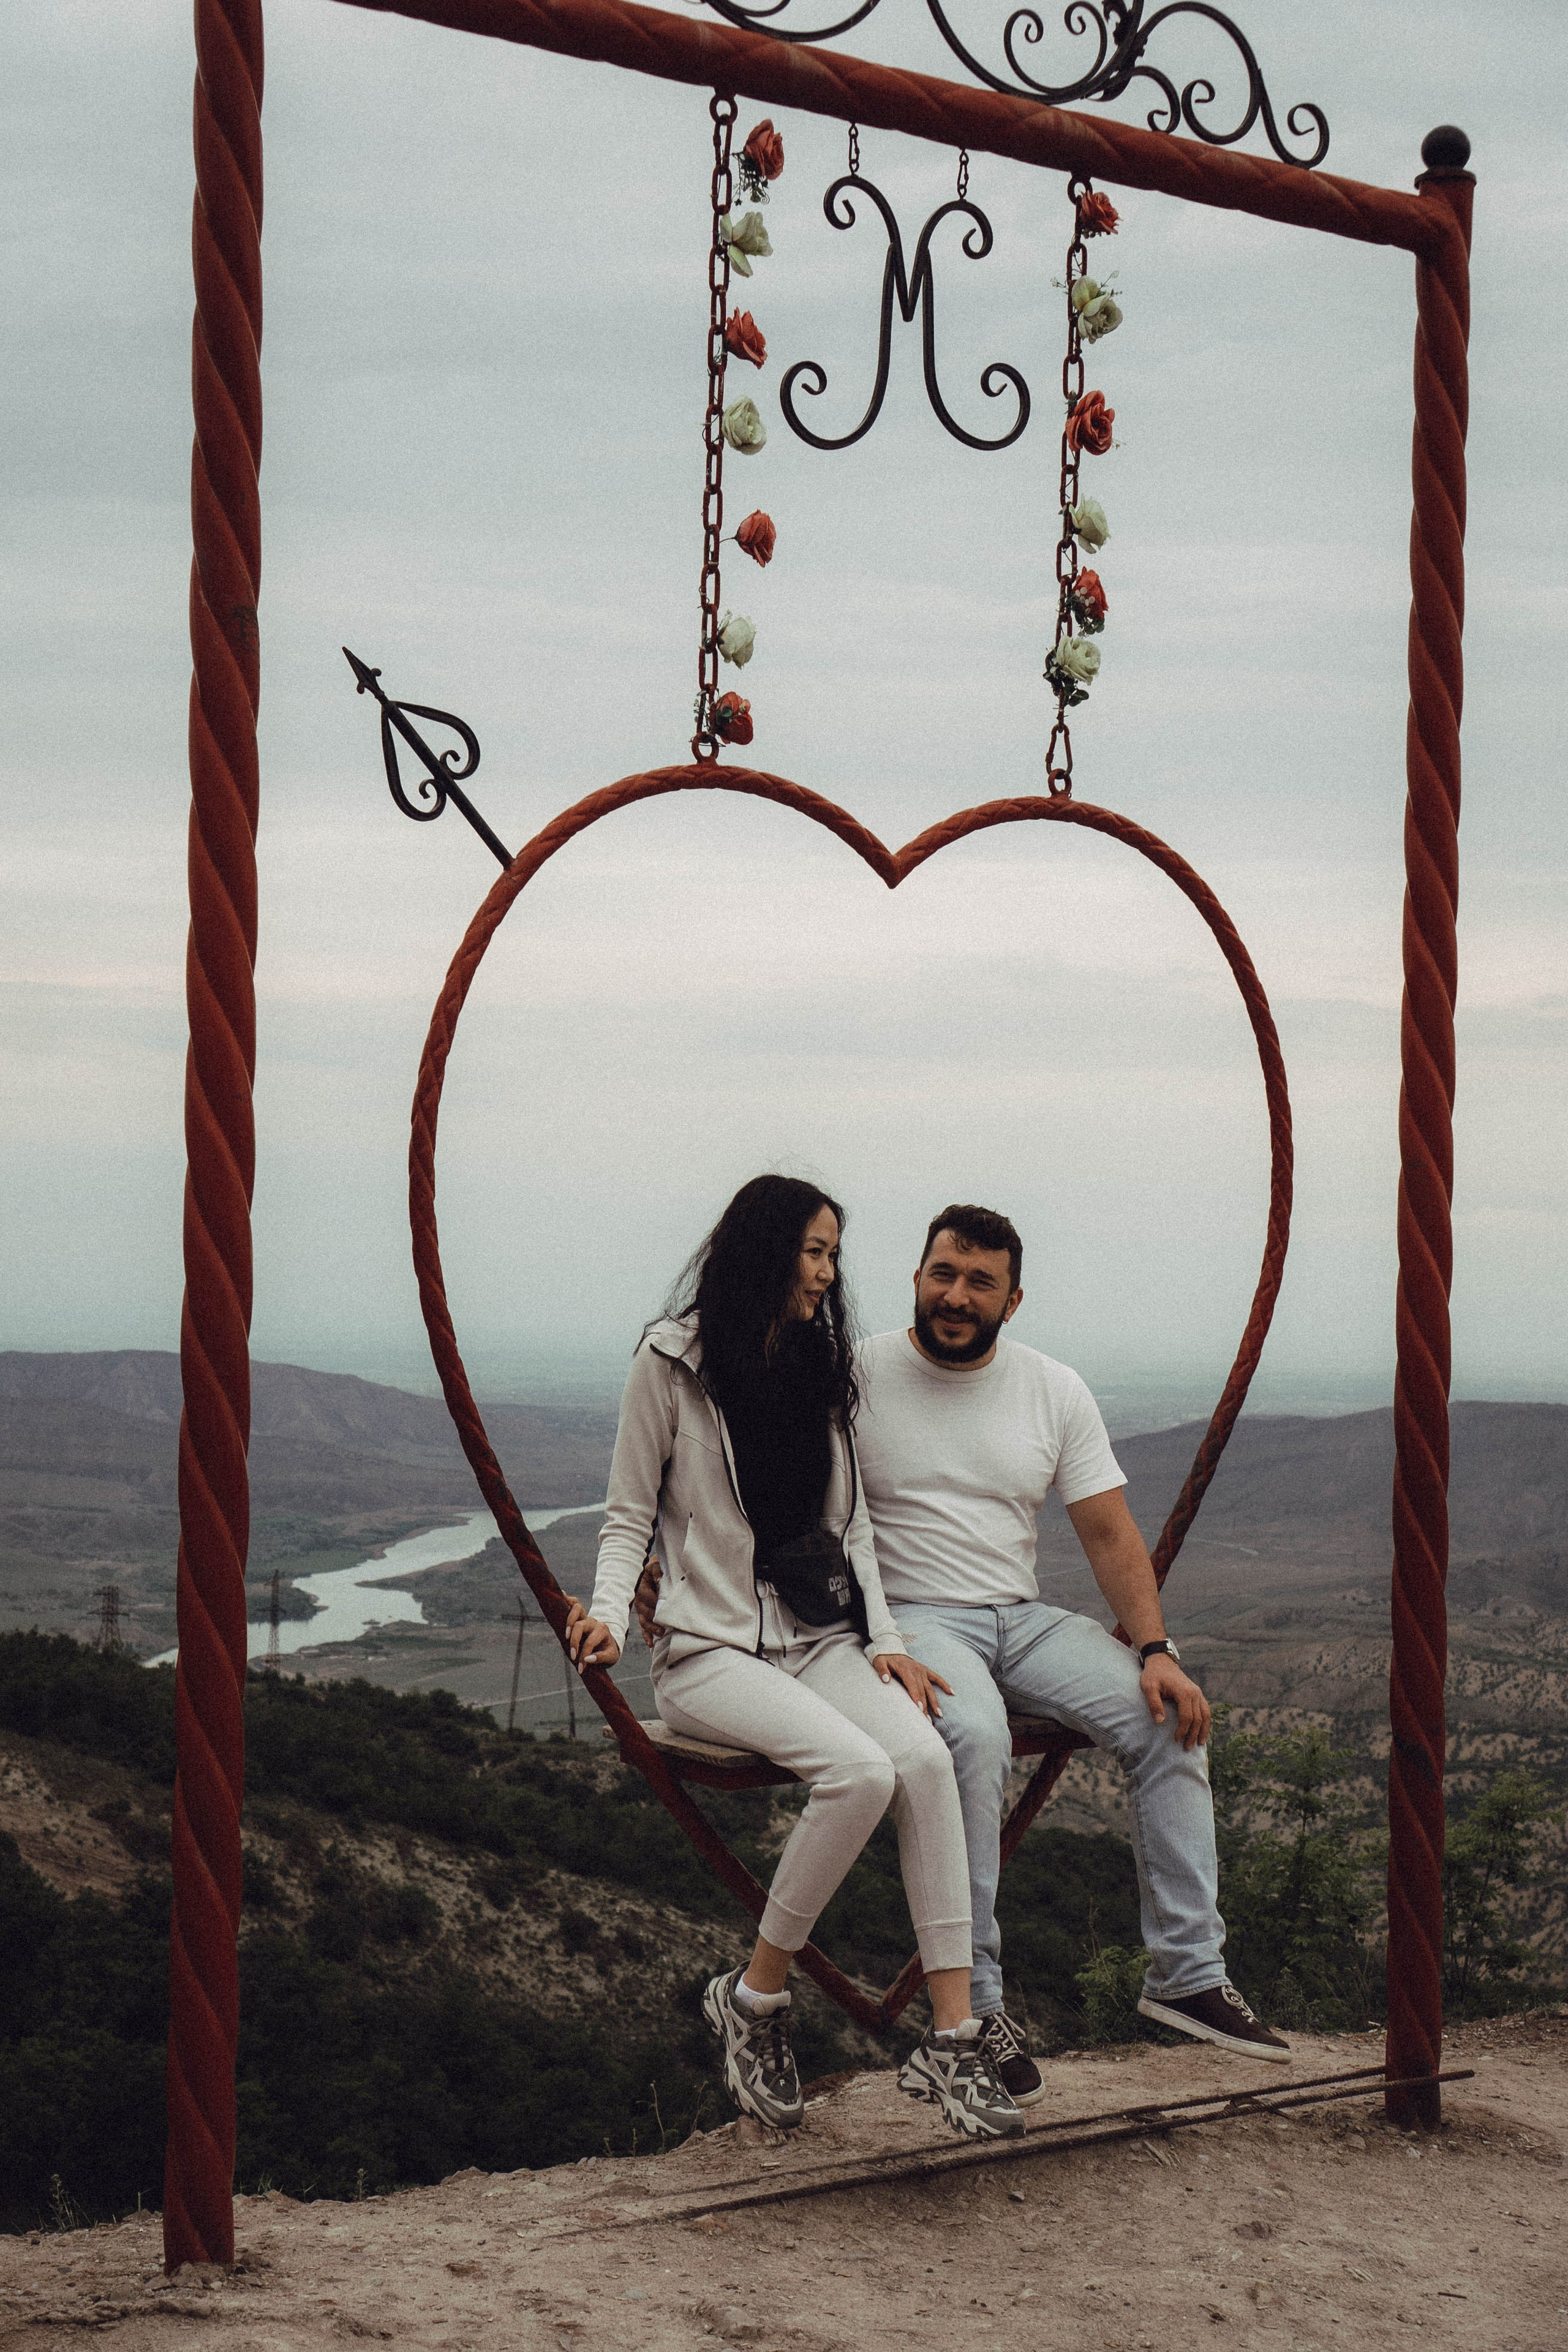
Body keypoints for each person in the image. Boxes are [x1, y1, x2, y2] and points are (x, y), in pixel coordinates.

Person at [567, 1174, 1023, 2142]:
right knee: (857, 1775)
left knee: (929, 1761)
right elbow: (627, 1515)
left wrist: (888, 1645)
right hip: (708, 1651)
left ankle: (953, 2036)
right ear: (766, 1250)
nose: (826, 1273)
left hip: (817, 1636)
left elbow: (850, 1528)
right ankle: (757, 2000)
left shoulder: (818, 1367)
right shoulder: (671, 1360)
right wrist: (610, 1614)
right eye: (813, 1252)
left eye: (832, 1255)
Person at [850, 1202, 1290, 2100]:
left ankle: (1187, 1975)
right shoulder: (857, 1377)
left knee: (1165, 1718)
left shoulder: (1052, 1388)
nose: (957, 1296)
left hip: (1019, 1613)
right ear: (917, 1277)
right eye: (944, 1274)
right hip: (917, 1619)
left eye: (980, 1282)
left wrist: (1158, 1649)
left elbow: (1106, 1529)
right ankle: (974, 2009)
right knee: (969, 1736)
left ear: (1014, 1300)